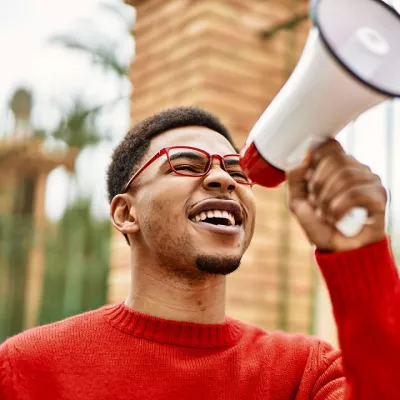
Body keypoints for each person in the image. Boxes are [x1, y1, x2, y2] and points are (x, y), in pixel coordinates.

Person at [0, 106, 398, 399]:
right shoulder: (26, 368)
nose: (224, 178)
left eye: (237, 171)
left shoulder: (306, 374)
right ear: (125, 213)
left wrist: (361, 258)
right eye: (186, 164)